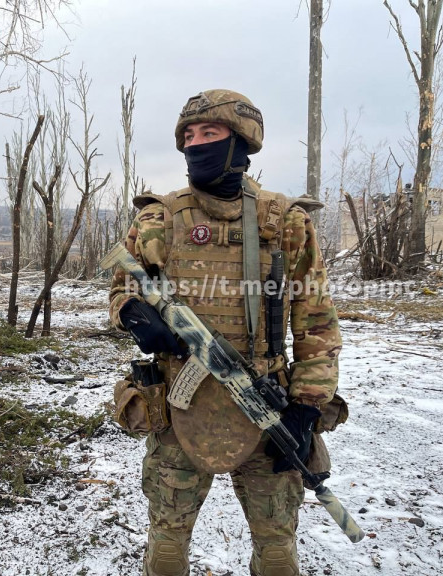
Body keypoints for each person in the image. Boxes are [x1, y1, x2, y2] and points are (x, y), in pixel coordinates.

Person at [108, 90, 342, 576]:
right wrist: (131, 312)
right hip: (178, 405)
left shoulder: (285, 221)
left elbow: (315, 318)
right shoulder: (159, 217)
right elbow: (122, 282)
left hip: (266, 405)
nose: (196, 145)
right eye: (188, 136)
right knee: (167, 551)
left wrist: (304, 408)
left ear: (241, 142)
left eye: (209, 134)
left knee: (277, 556)